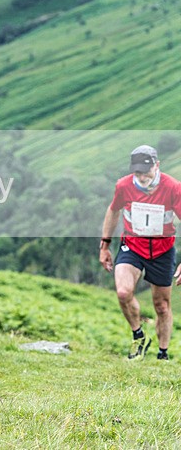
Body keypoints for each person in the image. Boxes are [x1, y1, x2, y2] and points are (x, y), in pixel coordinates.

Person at [100, 145, 181, 361]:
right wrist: (105, 244)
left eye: (146, 172)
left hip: (163, 251)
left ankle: (162, 354)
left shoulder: (173, 188)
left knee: (161, 306)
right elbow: (113, 210)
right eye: (138, 172)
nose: (142, 177)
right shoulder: (124, 185)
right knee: (123, 293)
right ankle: (138, 336)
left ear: (157, 165)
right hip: (132, 246)